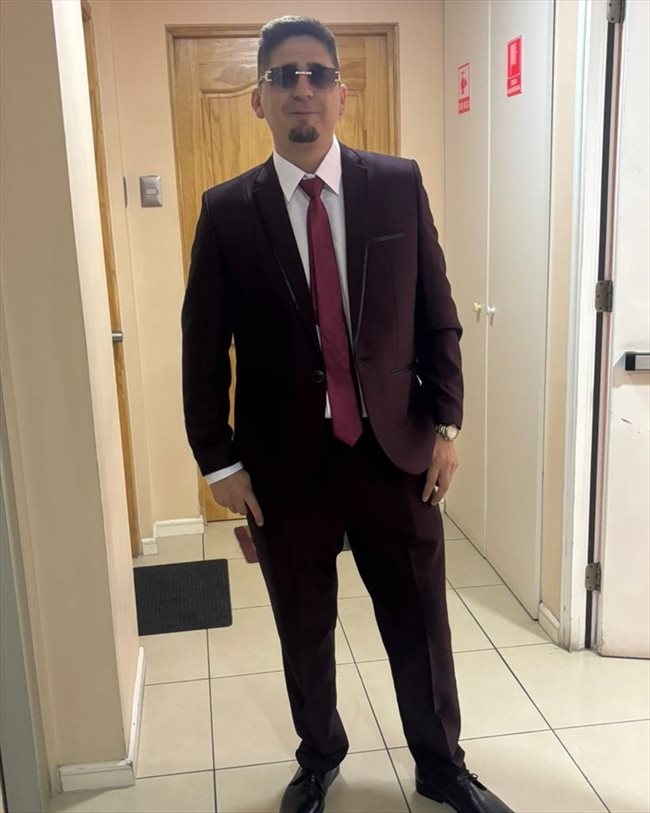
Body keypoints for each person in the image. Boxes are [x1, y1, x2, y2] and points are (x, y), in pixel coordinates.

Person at [182, 15, 513, 813]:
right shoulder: (226, 211)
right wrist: (219, 462)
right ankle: (319, 755)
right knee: (303, 627)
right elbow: (203, 346)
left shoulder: (396, 184)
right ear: (259, 98)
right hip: (284, 468)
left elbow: (438, 316)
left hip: (394, 454)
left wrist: (447, 427)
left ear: (340, 92)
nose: (302, 88)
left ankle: (442, 764)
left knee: (421, 622)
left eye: (317, 74)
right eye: (284, 75)